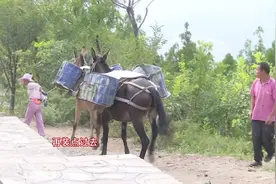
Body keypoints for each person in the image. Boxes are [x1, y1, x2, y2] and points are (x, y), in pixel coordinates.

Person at [250, 62, 275, 167]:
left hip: (268, 117)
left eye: (257, 70)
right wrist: (251, 110)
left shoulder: (273, 84)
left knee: (266, 138)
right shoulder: (256, 82)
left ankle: (271, 152)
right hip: (256, 115)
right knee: (256, 138)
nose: (256, 72)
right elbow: (253, 97)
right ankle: (257, 160)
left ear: (263, 71)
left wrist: (271, 115)